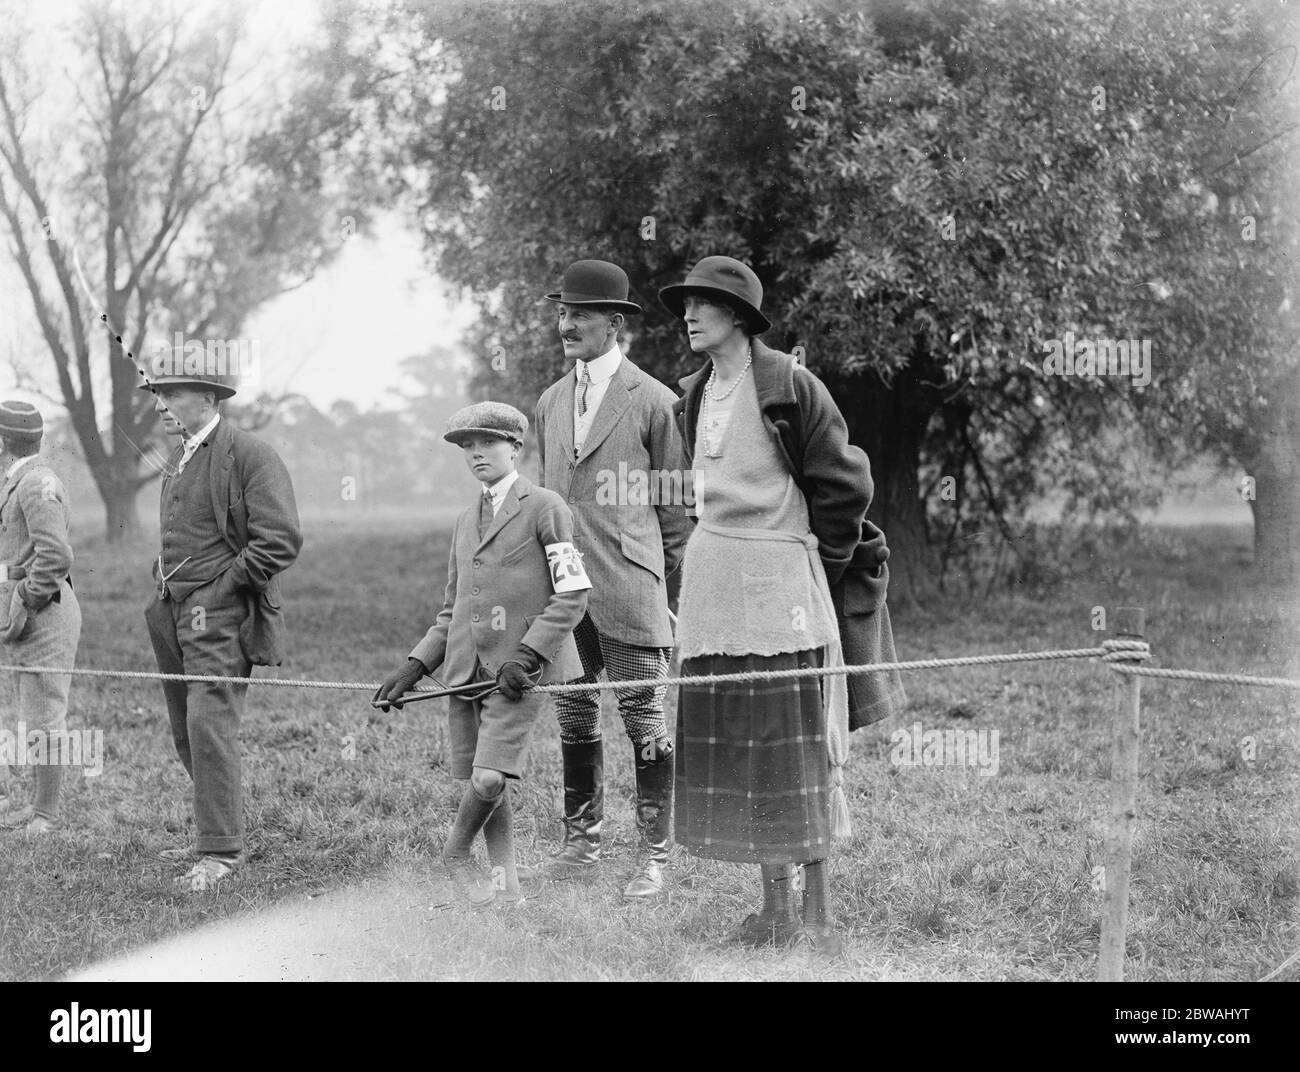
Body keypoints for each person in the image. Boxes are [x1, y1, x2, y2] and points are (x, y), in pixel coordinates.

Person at [660, 255, 886, 955]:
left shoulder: (791, 385)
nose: (690, 314)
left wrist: (817, 563)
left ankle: (819, 919)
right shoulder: (693, 395)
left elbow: (847, 486)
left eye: (705, 303)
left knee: (799, 749)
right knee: (744, 750)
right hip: (713, 593)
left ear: (739, 317)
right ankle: (775, 912)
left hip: (782, 592)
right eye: (688, 303)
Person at [374, 402, 589, 908]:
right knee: (485, 779)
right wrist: (415, 665)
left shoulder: (546, 506)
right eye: (466, 447)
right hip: (466, 671)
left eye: (487, 443)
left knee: (490, 776)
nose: (475, 454)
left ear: (515, 447)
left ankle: (452, 856)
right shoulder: (463, 520)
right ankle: (507, 889)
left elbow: (573, 593)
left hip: (518, 673)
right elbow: (451, 609)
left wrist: (529, 655)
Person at [529, 259, 689, 899]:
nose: (568, 325)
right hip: (565, 593)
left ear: (615, 324)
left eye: (582, 315)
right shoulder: (548, 401)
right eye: (563, 314)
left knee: (644, 718)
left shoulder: (655, 401)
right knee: (573, 714)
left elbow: (679, 510)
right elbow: (548, 500)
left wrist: (647, 569)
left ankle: (655, 857)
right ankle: (581, 846)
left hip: (631, 588)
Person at [141, 363, 302, 891]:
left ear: (208, 398)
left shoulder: (252, 455)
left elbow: (279, 540)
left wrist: (220, 589)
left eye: (171, 395)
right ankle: (216, 830)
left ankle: (221, 853)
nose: (161, 405)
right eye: (157, 396)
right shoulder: (180, 456)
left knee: (210, 727)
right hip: (172, 611)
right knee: (187, 728)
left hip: (221, 614)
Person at [0, 401, 82, 836]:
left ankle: (45, 817)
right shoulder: (19, 481)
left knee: (45, 716)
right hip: (27, 614)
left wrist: (26, 599)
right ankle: (36, 811)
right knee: (31, 715)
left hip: (45, 613)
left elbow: (55, 556)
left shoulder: (35, 484)